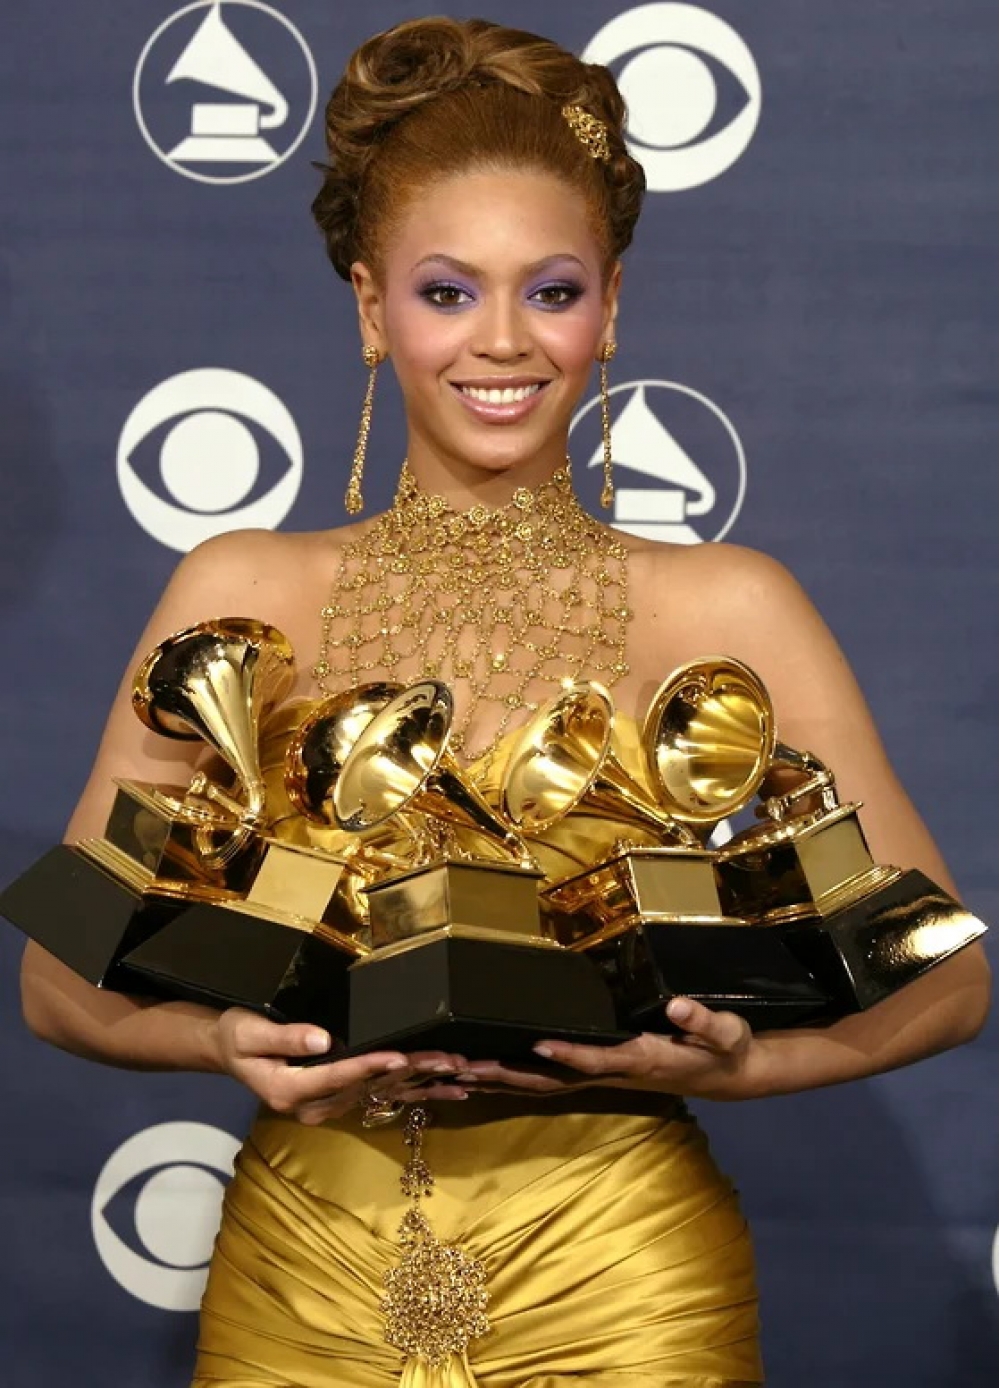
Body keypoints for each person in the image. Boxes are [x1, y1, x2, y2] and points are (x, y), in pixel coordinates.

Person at [19, 17, 989, 1388]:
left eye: (551, 290)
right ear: (372, 310)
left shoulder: (730, 607)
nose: (502, 341)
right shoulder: (240, 592)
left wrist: (733, 1069)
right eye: (446, 291)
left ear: (611, 307)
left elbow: (945, 979)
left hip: (623, 1276)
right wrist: (226, 1041)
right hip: (302, 1273)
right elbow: (59, 981)